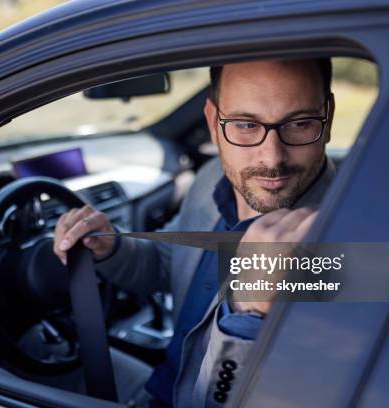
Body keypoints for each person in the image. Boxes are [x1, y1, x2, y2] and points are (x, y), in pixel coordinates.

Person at [54, 58, 336, 407]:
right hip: (162, 388)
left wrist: (249, 319)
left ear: (329, 117)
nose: (272, 157)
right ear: (213, 123)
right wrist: (111, 248)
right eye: (245, 124)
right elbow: (170, 263)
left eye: (300, 123)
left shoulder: (346, 237)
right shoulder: (210, 181)